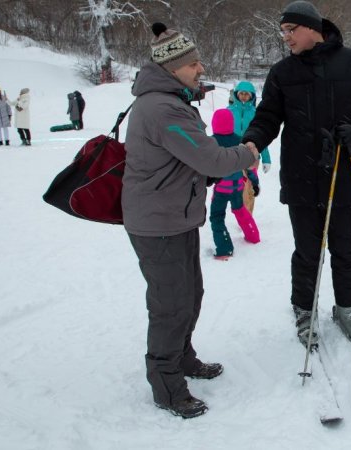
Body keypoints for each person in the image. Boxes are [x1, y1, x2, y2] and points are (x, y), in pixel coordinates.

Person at [122, 22, 259, 419]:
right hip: (157, 221)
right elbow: (211, 158)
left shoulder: (173, 101)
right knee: (170, 305)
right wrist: (248, 152)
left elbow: (191, 161)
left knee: (190, 295)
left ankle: (182, 358)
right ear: (172, 68)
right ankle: (167, 386)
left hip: (175, 216)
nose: (202, 69)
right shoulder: (162, 107)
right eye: (194, 63)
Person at [241, 1, 351, 351]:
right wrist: (250, 144)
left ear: (312, 28)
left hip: (344, 171)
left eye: (291, 30)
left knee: (346, 249)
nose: (286, 37)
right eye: (283, 31)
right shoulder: (282, 72)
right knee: (307, 252)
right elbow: (267, 118)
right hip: (301, 175)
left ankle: (347, 309)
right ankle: (305, 310)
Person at [209, 108, 261, 260]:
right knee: (240, 210)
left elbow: (204, 163)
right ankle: (253, 236)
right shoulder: (240, 141)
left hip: (221, 189)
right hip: (238, 187)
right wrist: (255, 182)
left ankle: (224, 249)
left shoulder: (211, 143)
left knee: (217, 216)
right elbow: (249, 165)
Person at [228, 81, 271, 214]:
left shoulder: (256, 114)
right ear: (237, 94)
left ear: (252, 96)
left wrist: (266, 158)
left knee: (249, 187)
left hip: (252, 156)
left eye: (247, 94)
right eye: (241, 93)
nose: (244, 97)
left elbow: (261, 137)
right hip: (233, 154)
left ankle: (247, 214)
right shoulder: (229, 112)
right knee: (235, 186)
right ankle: (238, 210)